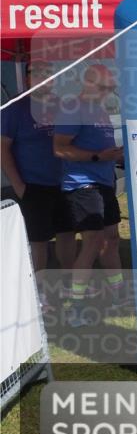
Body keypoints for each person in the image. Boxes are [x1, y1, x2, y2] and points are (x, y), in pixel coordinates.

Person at [53, 64, 125, 318]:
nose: (109, 92)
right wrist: (97, 157)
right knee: (92, 241)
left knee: (112, 240)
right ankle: (76, 306)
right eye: (105, 87)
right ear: (89, 83)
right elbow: (59, 149)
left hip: (104, 182)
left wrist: (116, 155)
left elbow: (101, 148)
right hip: (82, 184)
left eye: (111, 88)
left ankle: (118, 296)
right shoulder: (73, 109)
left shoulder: (101, 111)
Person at [0, 60, 76, 275]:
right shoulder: (15, 108)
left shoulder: (63, 105)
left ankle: (68, 283)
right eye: (37, 73)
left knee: (67, 233)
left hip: (65, 182)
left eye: (48, 72)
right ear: (27, 77)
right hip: (33, 186)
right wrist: (18, 185)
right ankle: (38, 292)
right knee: (38, 240)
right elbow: (3, 148)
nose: (44, 77)